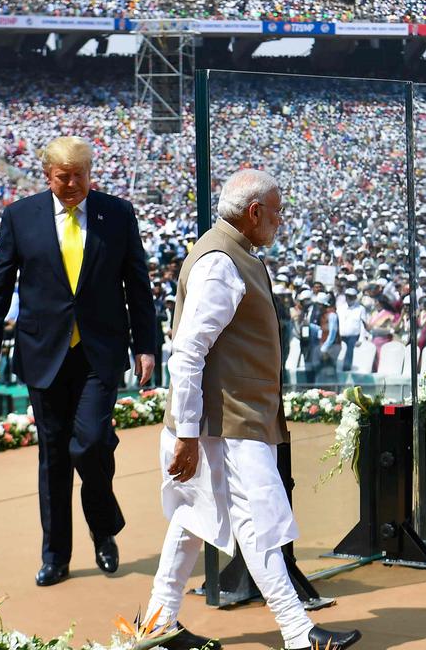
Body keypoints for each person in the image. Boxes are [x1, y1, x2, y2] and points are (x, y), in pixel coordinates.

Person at [148, 169, 360, 650]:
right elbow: (187, 353)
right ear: (254, 211)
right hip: (223, 423)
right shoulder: (221, 262)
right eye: (278, 211)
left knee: (192, 522)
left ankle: (159, 624)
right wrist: (185, 434)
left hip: (223, 419)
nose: (281, 221)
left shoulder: (232, 253)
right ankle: (299, 632)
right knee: (259, 521)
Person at [0, 136, 157, 588]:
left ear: (91, 172)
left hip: (99, 351)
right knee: (54, 456)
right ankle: (56, 555)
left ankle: (102, 526)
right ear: (48, 175)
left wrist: (147, 345)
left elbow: (137, 284)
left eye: (81, 175)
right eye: (64, 177)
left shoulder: (117, 214)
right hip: (43, 352)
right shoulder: (21, 217)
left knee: (92, 441)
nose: (73, 184)